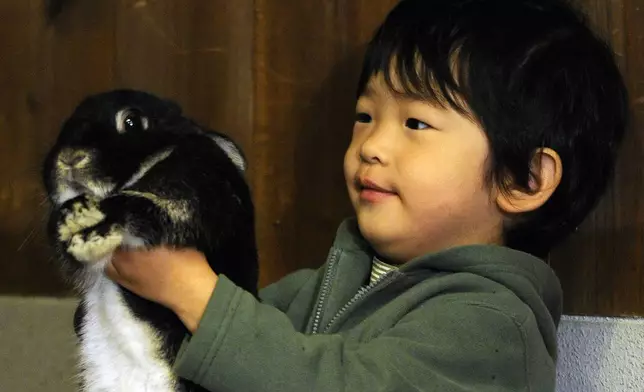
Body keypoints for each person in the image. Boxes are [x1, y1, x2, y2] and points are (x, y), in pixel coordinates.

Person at [105, 0, 629, 390]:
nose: (372, 145)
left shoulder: (494, 326)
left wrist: (197, 295)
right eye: (364, 116)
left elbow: (340, 383)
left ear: (524, 181)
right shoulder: (327, 283)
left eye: (417, 122)